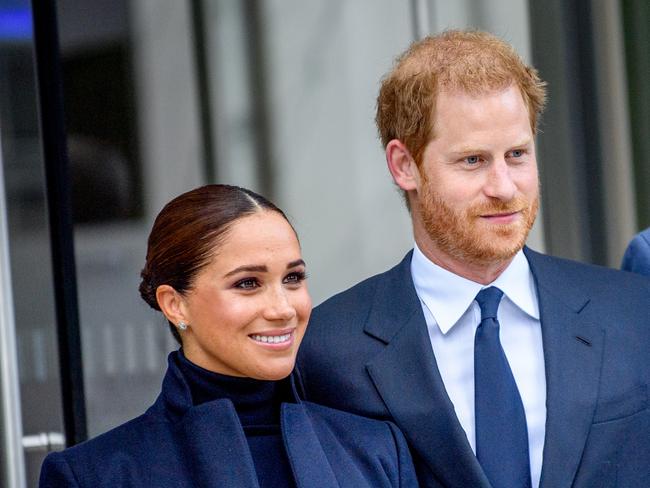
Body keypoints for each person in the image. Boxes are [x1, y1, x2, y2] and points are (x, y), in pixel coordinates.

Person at [297, 30, 650, 488]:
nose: (504, 187)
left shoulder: (634, 311)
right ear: (404, 165)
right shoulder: (327, 350)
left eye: (517, 154)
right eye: (473, 160)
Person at [39, 184, 418, 488]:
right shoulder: (93, 476)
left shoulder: (377, 451)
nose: (283, 308)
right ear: (175, 304)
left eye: (293, 278)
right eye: (248, 283)